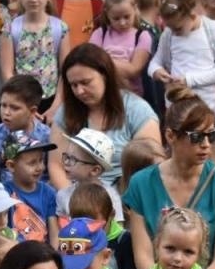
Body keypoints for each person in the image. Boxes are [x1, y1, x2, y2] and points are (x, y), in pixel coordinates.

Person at [124, 95, 215, 269]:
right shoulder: (141, 183)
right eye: (196, 137)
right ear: (170, 136)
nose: (206, 144)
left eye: (211, 135)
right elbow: (143, 255)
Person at [49, 44, 161, 196]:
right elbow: (56, 165)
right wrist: (73, 201)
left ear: (105, 75)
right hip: (78, 196)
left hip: (127, 196)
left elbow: (151, 166)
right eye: (73, 85)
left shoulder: (137, 110)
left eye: (85, 82)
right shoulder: (65, 113)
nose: (79, 91)